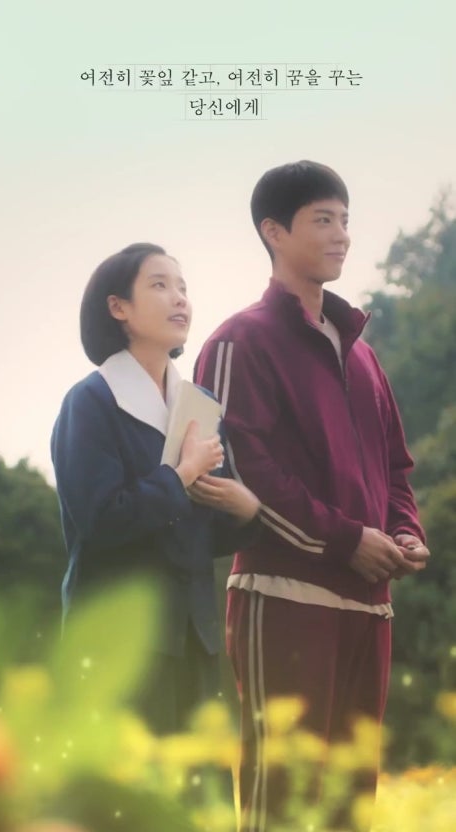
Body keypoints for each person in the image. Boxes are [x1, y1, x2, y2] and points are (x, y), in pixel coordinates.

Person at [193, 161, 430, 831]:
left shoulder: (363, 354)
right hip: (284, 598)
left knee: (352, 806)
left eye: (345, 220)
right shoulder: (238, 340)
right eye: (323, 220)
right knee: (283, 801)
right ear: (274, 232)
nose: (341, 234)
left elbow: (394, 464)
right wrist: (347, 540)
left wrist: (404, 531)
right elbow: (244, 470)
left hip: (370, 608)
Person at [51, 242, 260, 735]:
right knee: (126, 782)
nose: (180, 298)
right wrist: (180, 475)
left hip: (194, 639)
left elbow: (199, 534)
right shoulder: (90, 401)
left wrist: (246, 512)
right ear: (118, 307)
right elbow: (102, 520)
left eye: (183, 287)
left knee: (195, 780)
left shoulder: (199, 405)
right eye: (160, 285)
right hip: (119, 643)